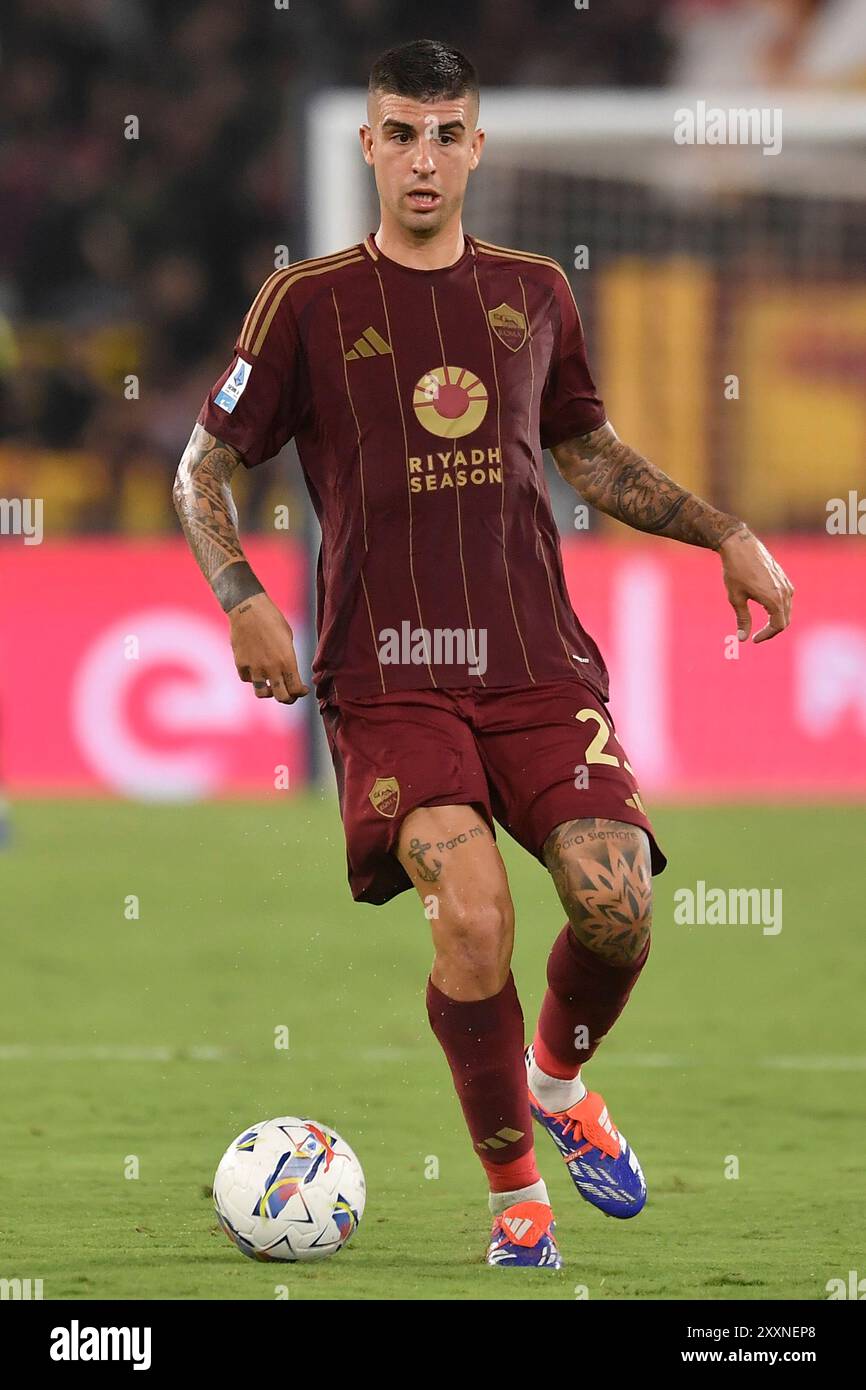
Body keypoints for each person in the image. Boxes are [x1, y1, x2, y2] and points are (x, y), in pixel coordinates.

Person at [174, 38, 793, 1269]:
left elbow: (590, 453)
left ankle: (559, 1087)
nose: (422, 158)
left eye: (444, 134)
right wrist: (241, 593)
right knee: (472, 918)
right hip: (388, 671)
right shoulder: (304, 303)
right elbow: (203, 467)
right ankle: (517, 1199)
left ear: (476, 147)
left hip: (533, 665)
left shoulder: (534, 295)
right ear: (366, 145)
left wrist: (722, 530)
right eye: (399, 132)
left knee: (615, 907)